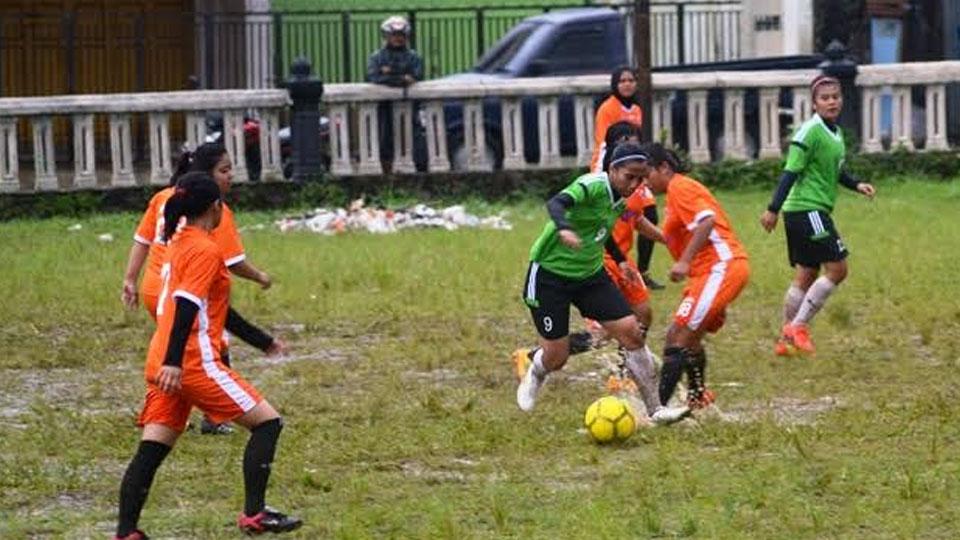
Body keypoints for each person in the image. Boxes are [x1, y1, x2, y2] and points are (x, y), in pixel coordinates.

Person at [113, 173, 301, 540]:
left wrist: (263, 342)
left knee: (152, 448)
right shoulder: (204, 248)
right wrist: (174, 362)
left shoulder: (179, 240)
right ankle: (255, 515)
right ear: (216, 207)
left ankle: (126, 532)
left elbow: (214, 307)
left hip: (164, 359)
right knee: (268, 423)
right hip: (191, 363)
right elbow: (185, 306)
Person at [515, 142, 688, 424]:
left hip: (590, 275)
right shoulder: (591, 186)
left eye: (641, 179)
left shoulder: (621, 197)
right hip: (549, 275)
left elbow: (604, 226)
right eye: (629, 176)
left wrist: (621, 259)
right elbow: (556, 203)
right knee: (557, 357)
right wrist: (565, 228)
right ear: (612, 169)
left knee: (632, 332)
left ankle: (655, 409)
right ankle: (535, 371)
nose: (634, 184)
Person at [121, 143, 282, 435]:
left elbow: (142, 239)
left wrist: (130, 278)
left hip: (155, 288)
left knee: (178, 344)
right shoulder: (212, 210)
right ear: (207, 177)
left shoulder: (164, 198)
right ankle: (214, 413)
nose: (231, 176)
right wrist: (260, 277)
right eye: (225, 170)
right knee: (209, 344)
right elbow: (233, 261)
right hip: (181, 287)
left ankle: (167, 408)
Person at [511, 122, 663, 380]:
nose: (634, 147)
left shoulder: (637, 182)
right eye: (627, 141)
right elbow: (568, 208)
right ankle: (537, 356)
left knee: (643, 314)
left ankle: (628, 369)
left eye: (637, 141)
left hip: (619, 257)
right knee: (603, 334)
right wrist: (565, 229)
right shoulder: (599, 184)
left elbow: (636, 219)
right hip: (592, 259)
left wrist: (661, 242)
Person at [760, 75, 876, 356]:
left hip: (805, 211)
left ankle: (785, 340)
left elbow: (834, 171)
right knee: (837, 269)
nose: (831, 101)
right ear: (814, 104)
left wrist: (855, 184)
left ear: (841, 99)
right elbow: (791, 171)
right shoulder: (809, 132)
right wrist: (772, 208)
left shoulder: (834, 133)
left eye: (835, 96)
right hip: (807, 209)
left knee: (806, 274)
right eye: (825, 98)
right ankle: (798, 327)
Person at [640, 142, 750, 410]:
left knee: (680, 336)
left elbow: (707, 221)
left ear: (663, 168)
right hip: (708, 273)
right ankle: (697, 395)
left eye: (646, 175)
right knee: (683, 335)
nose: (644, 183)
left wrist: (684, 261)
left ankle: (657, 410)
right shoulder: (675, 193)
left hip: (721, 267)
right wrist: (631, 218)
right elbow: (669, 236)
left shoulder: (681, 187)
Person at [590, 66, 663, 290]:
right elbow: (604, 143)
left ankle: (642, 269)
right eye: (622, 80)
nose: (628, 84)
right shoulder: (607, 108)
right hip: (614, 168)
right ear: (615, 84)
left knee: (649, 213)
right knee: (618, 218)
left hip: (633, 171)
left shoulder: (638, 109)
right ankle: (606, 263)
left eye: (631, 80)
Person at [366, 15, 425, 173]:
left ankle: (416, 169)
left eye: (401, 35)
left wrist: (390, 74)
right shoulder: (377, 57)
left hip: (409, 105)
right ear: (386, 36)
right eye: (394, 35)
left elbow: (416, 76)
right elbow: (373, 77)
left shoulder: (414, 57)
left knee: (413, 136)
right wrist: (401, 77)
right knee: (384, 138)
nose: (398, 38)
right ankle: (386, 172)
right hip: (384, 107)